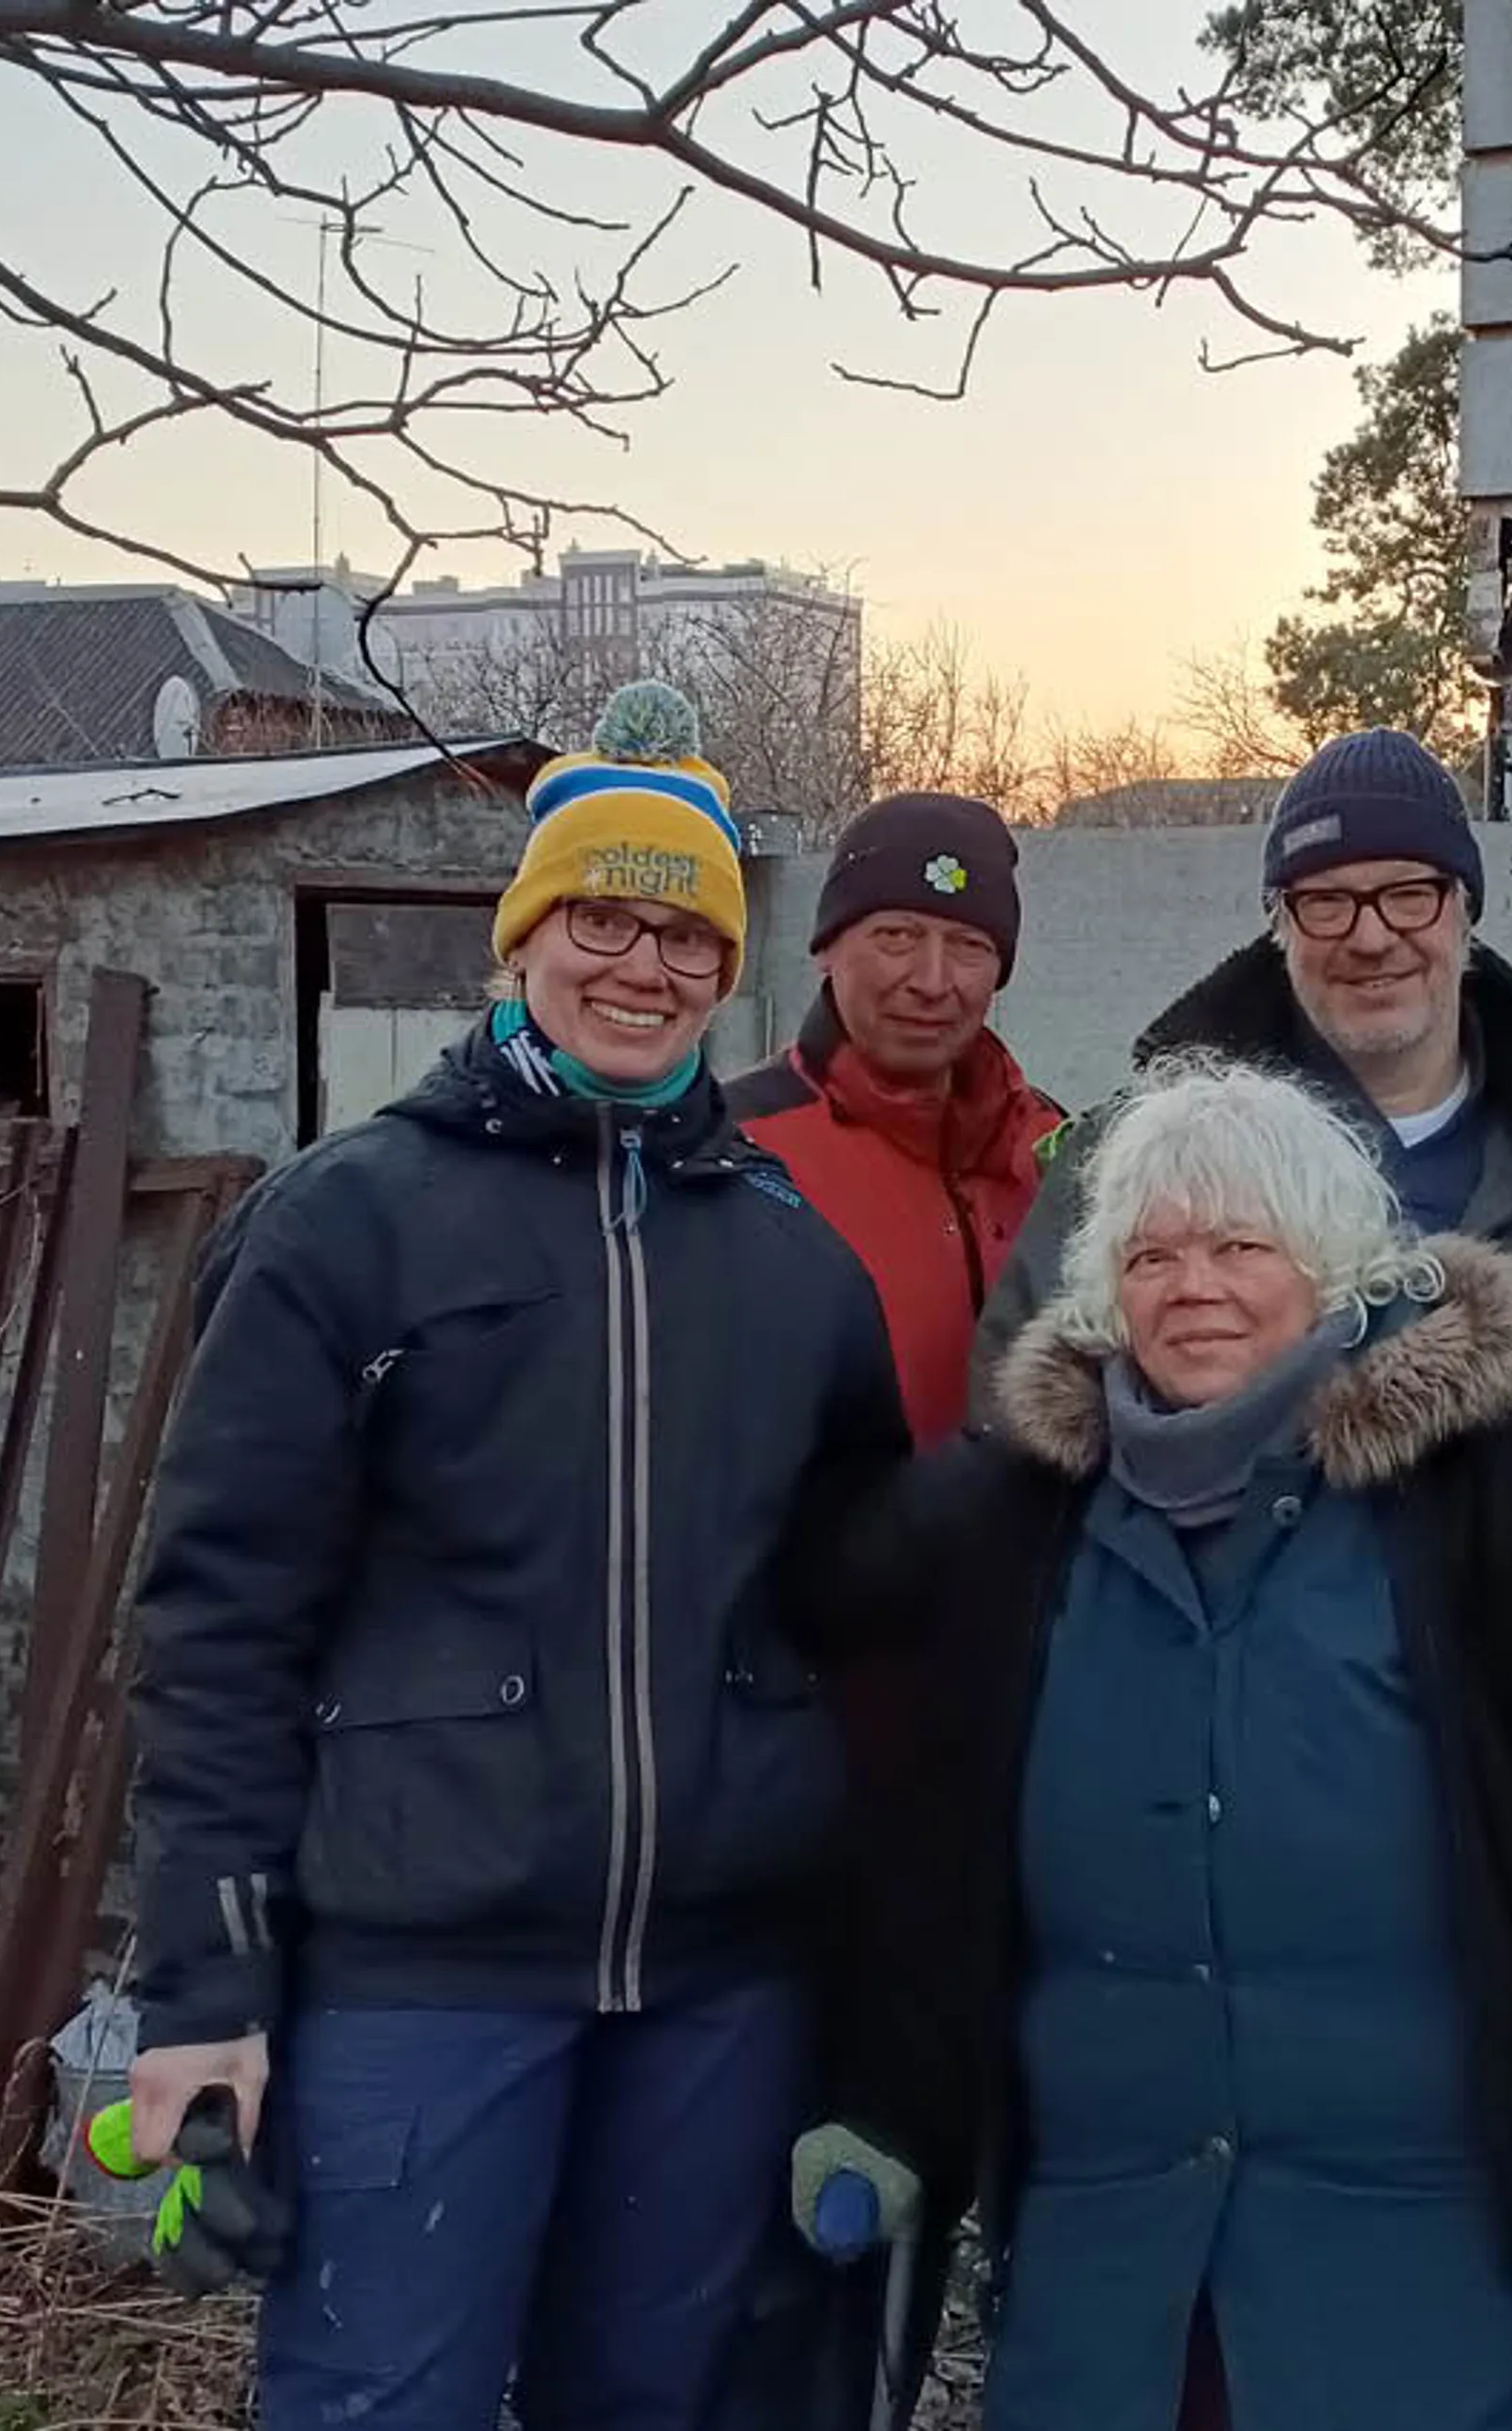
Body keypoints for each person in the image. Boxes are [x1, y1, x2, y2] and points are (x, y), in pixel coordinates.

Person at [122, 681, 911, 2431]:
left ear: (730, 962)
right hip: (422, 1969)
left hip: (714, 1984)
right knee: (376, 2402)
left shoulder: (792, 1260)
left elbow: (867, 1576)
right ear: (522, 936)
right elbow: (218, 1620)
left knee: (653, 2400)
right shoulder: (348, 1221)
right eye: (600, 919)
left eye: (684, 931)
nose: (642, 964)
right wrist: (206, 1990)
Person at [794, 1056, 1512, 2431]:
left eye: (1240, 1245)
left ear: (1332, 1268)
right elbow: (941, 1843)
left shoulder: (1499, 1500)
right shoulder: (1028, 1514)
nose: (1192, 1281)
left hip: (1444, 2272)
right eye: (1154, 1252)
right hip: (1116, 2269)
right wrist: (892, 2110)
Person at [973, 728, 1512, 1480]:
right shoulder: (1129, 1167)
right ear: (1280, 927)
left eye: (1408, 895)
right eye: (1326, 902)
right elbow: (1015, 1434)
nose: (1370, 937)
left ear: (1466, 912)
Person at [728, 790, 1063, 1444]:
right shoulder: (736, 1150)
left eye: (968, 944)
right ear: (827, 948)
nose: (932, 980)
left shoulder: (1052, 1149)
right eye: (897, 937)